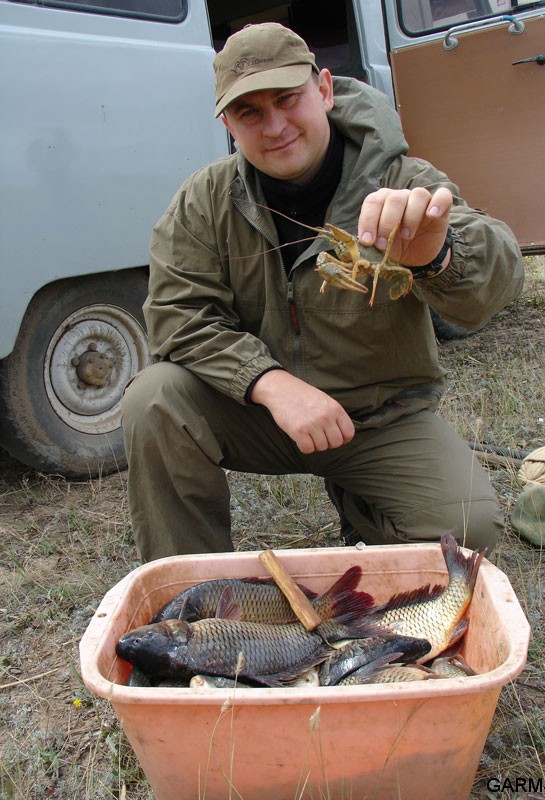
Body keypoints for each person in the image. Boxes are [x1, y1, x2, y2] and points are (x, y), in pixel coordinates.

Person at [121, 22, 524, 562]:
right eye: (250, 113)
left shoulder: (403, 180)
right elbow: (177, 316)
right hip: (261, 415)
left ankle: (361, 509)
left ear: (325, 90)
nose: (275, 126)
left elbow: (495, 284)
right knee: (154, 398)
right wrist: (270, 383)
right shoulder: (204, 200)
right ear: (227, 124)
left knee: (467, 527)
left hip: (379, 419)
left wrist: (437, 254)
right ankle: (193, 586)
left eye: (288, 100)